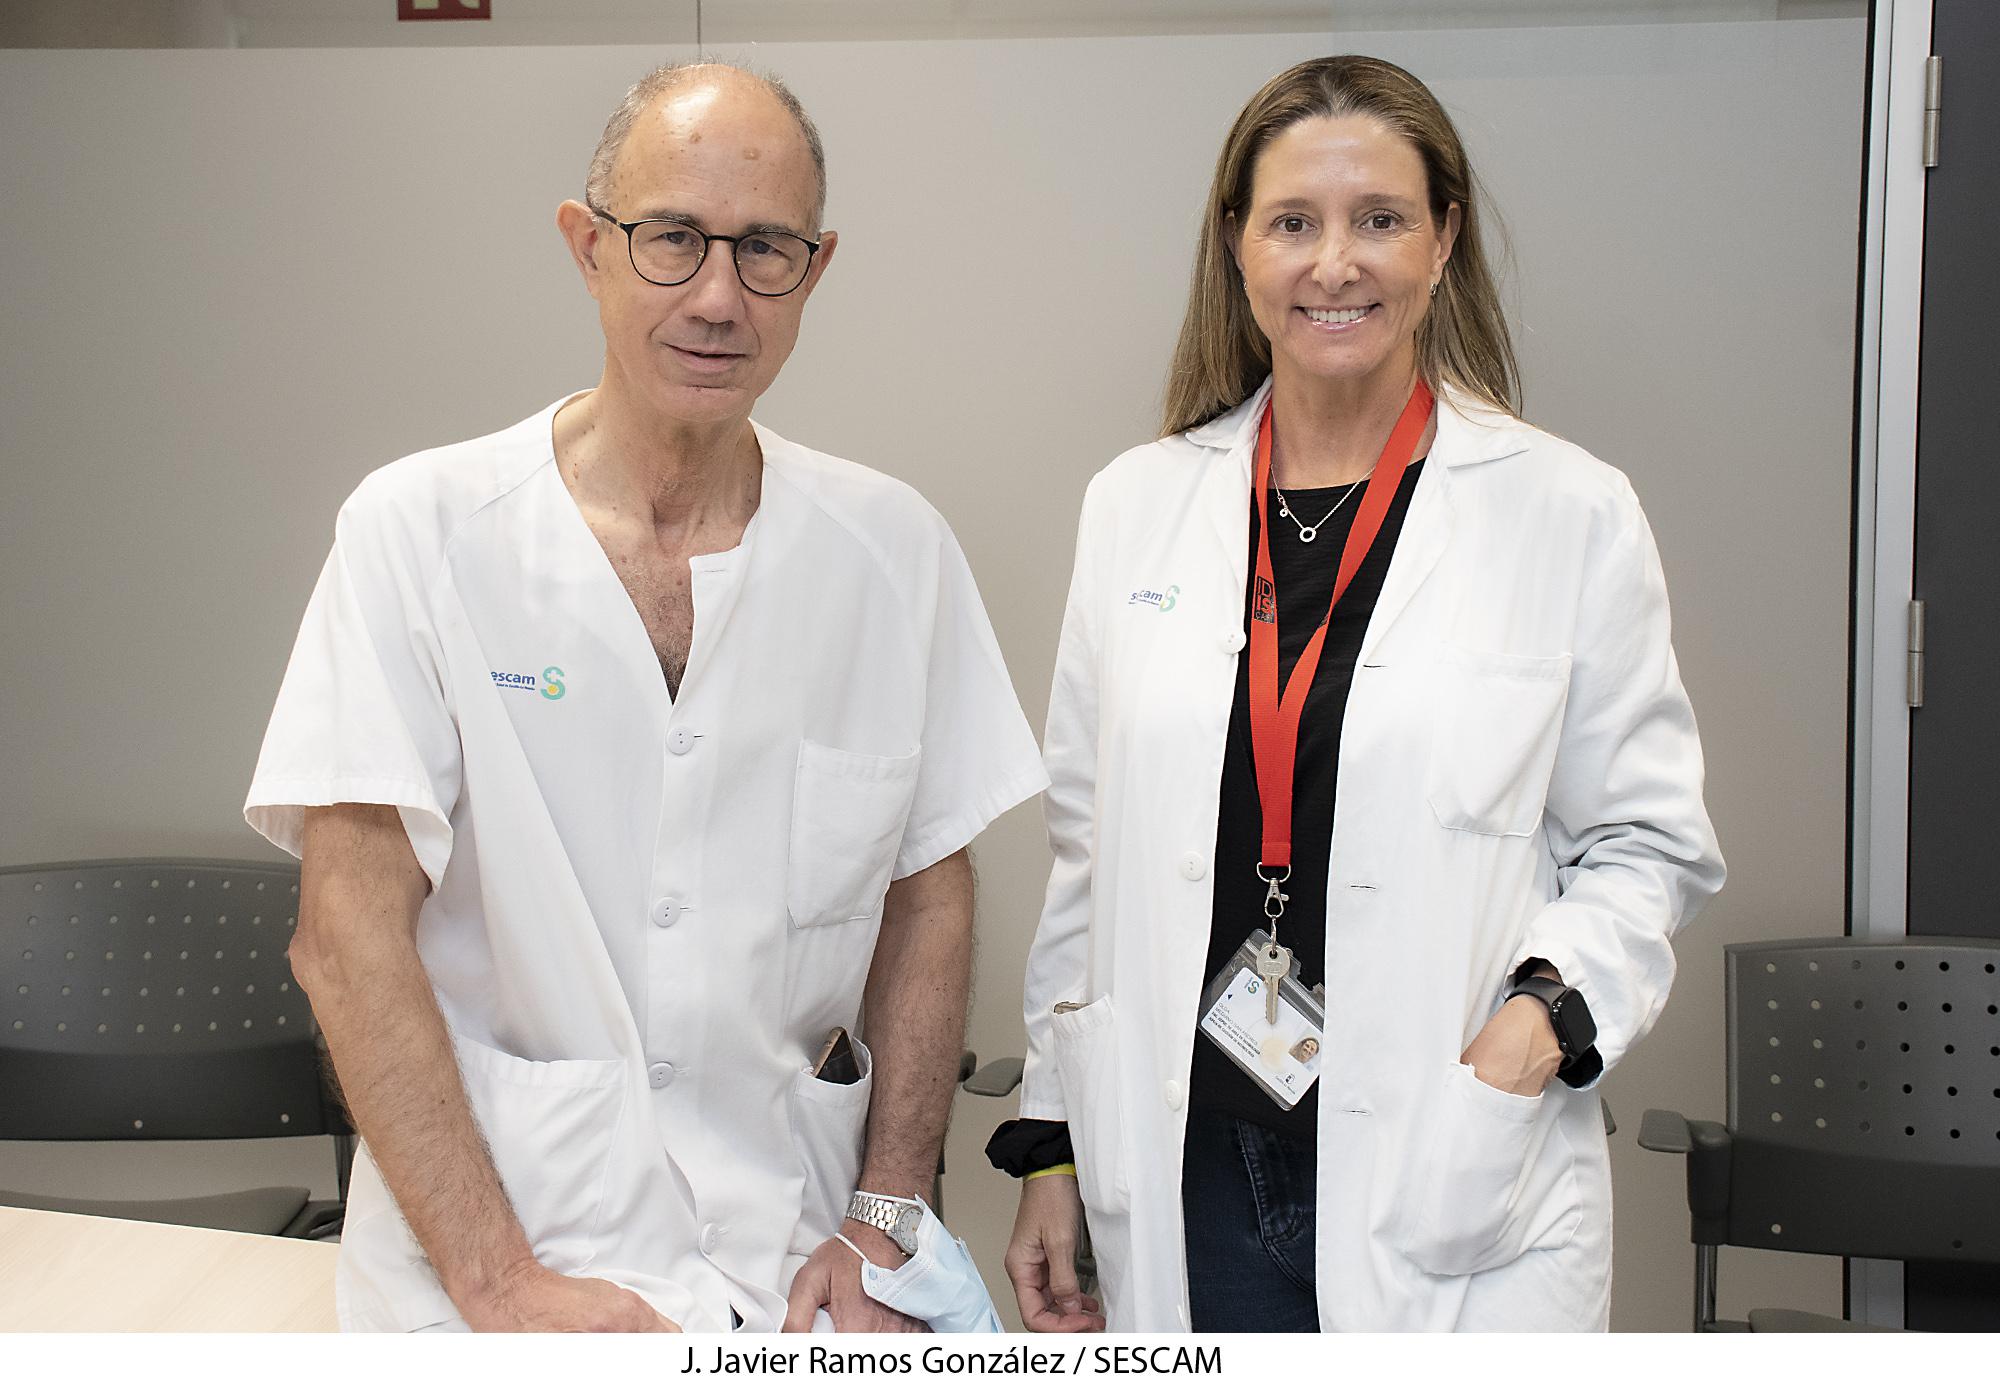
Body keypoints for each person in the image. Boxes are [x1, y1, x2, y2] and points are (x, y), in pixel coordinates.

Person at [245, 61, 1045, 1333]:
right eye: (672, 237)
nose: (718, 297)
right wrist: (500, 1284)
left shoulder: (892, 552)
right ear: (588, 246)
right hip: (487, 1270)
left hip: (792, 1265)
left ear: (815, 271)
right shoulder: (421, 531)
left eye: (765, 248)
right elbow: (345, 937)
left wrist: (887, 1216)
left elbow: (927, 895)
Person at [993, 54, 1724, 1333]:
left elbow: (1645, 842)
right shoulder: (1136, 506)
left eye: (1377, 218)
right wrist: (1049, 1143)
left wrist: (1535, 1025)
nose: (1333, 263)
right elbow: (1087, 858)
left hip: (1453, 1161)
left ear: (1442, 240)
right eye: (1292, 222)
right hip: (1190, 1165)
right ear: (1236, 246)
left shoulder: (1565, 512)